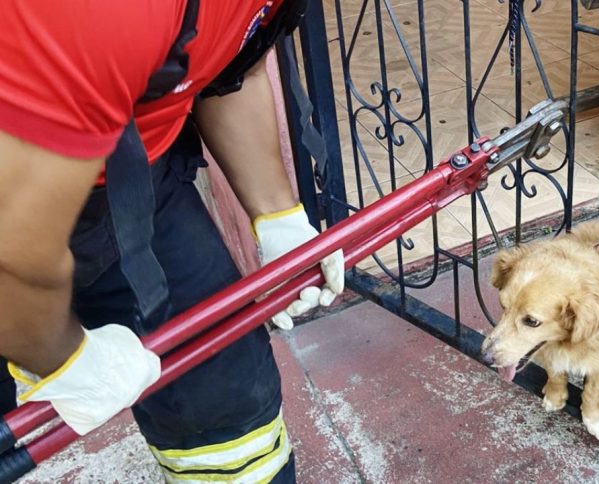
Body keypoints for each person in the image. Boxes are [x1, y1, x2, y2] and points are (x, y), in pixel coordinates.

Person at [0, 0, 343, 482]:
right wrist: (64, 360)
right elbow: (8, 251)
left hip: (126, 169)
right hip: (17, 197)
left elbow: (229, 66)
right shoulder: (102, 14)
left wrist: (279, 217)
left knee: (228, 407)